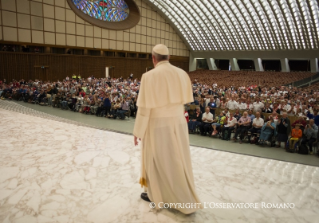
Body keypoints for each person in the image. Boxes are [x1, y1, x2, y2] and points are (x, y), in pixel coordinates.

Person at [133, 44, 202, 214]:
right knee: (177, 159)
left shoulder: (148, 76)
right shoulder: (182, 73)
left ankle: (156, 195)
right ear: (169, 57)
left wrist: (138, 131)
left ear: (153, 58)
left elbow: (144, 109)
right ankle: (179, 196)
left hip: (157, 124)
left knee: (156, 161)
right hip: (179, 122)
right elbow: (185, 101)